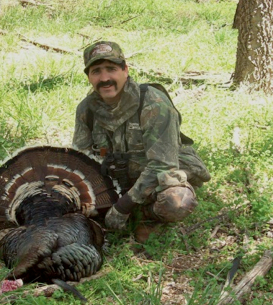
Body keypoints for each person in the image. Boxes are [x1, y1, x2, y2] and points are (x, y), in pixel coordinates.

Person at [72, 41, 211, 242]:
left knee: (177, 201)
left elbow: (162, 165)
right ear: (89, 77)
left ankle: (146, 217)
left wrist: (122, 207)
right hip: (116, 182)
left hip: (153, 180)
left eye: (111, 69)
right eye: (96, 71)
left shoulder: (153, 104)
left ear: (125, 70)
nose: (105, 78)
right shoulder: (86, 110)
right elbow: (82, 160)